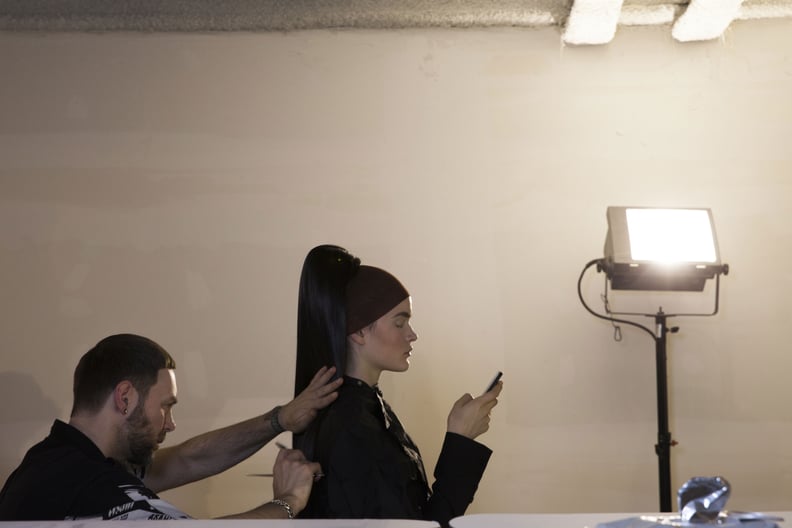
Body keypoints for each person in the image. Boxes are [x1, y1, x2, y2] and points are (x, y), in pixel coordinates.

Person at [0, 333, 342, 520]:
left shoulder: (59, 461)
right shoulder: (95, 490)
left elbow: (187, 460)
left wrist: (280, 419)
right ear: (124, 397)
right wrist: (288, 501)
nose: (172, 423)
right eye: (166, 406)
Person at [293, 244, 503, 527]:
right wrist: (460, 442)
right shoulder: (352, 427)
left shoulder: (367, 410)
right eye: (399, 323)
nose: (412, 335)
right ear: (358, 332)